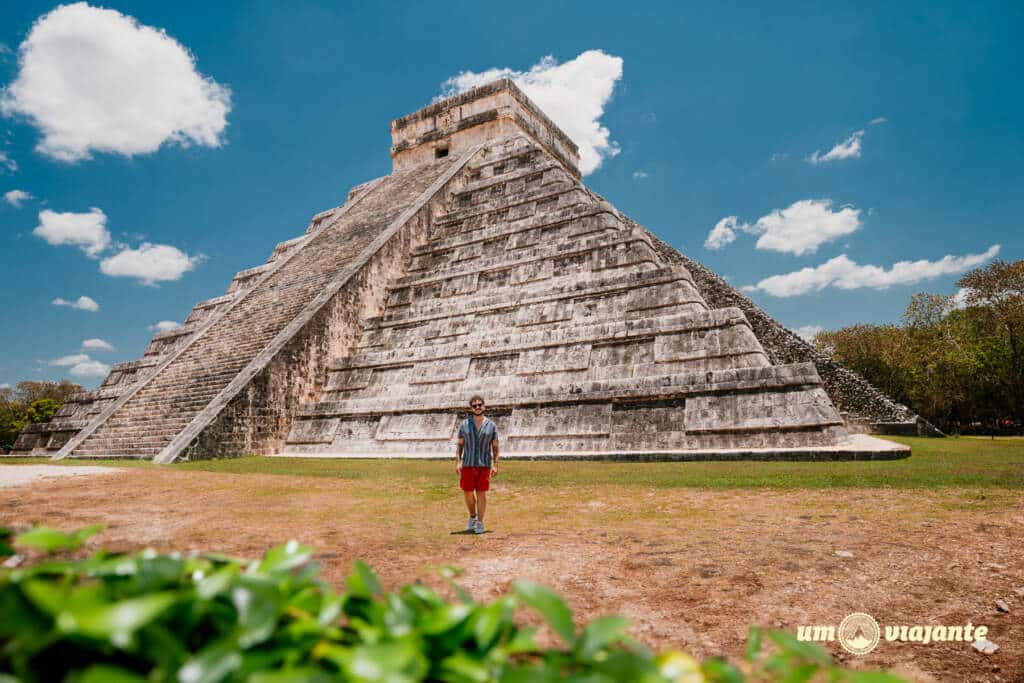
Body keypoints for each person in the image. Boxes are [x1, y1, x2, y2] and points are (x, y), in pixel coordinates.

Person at [456, 395, 499, 534]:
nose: (477, 407)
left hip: (484, 464)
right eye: (474, 405)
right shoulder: (464, 425)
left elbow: (495, 447)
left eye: (480, 404)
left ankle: (480, 522)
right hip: (468, 463)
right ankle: (472, 516)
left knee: (481, 493)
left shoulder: (491, 426)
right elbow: (460, 446)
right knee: (467, 492)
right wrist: (458, 462)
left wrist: (495, 464)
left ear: (484, 406)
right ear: (471, 408)